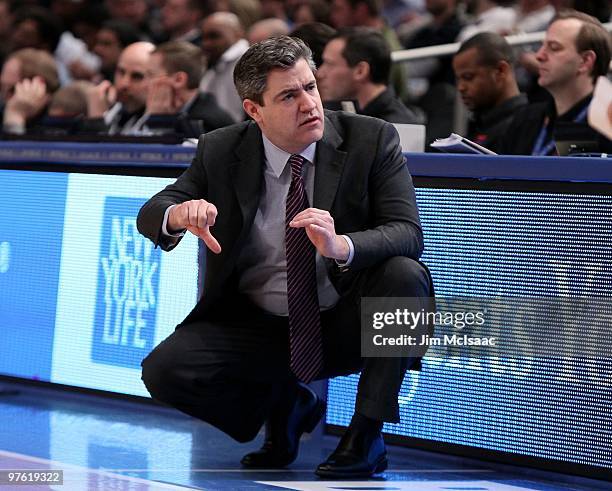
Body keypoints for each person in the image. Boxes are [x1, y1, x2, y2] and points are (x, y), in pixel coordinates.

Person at [137, 36, 432, 478]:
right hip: (260, 327)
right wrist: (179, 213)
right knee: (164, 371)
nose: (309, 104)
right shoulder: (221, 149)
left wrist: (342, 246)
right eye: (289, 96)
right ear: (254, 110)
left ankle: (367, 434)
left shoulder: (371, 139)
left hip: (342, 320)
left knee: (406, 277)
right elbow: (152, 212)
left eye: (310, 87)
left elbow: (408, 233)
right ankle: (288, 405)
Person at [498, 9, 611, 155]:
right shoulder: (525, 119)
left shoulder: (607, 125)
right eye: (542, 46)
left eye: (554, 48)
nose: (539, 56)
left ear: (585, 61)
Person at [318, 27, 421, 124]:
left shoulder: (398, 127)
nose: (319, 73)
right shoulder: (357, 113)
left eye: (330, 64)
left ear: (360, 71)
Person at [452, 32, 528, 153]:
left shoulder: (528, 125)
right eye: (458, 79)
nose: (461, 87)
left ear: (500, 71)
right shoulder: (479, 125)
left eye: (468, 77)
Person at [143, 41, 234, 137]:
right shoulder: (171, 110)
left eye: (151, 75)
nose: (144, 84)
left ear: (179, 79)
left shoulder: (206, 124)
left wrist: (158, 119)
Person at [83, 41, 154, 135]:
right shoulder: (109, 109)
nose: (124, 84)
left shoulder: (164, 123)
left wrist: (96, 122)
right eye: (121, 72)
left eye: (137, 76)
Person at [199, 12, 249, 122]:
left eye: (214, 36)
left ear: (238, 33)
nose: (206, 43)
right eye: (203, 37)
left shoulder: (249, 62)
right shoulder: (212, 65)